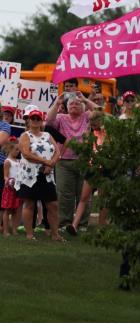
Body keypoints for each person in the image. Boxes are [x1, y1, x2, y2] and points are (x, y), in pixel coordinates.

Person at [46, 92, 98, 231]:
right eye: (71, 103)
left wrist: (85, 99)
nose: (74, 105)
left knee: (84, 194)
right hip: (64, 161)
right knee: (64, 194)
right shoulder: (61, 117)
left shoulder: (87, 116)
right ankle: (64, 223)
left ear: (82, 107)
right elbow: (48, 121)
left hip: (85, 160)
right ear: (67, 107)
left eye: (77, 103)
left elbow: (99, 112)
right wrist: (57, 103)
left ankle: (82, 224)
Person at [16, 106, 62, 241]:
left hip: (47, 175)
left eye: (38, 118)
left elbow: (57, 152)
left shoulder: (48, 135)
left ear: (42, 121)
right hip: (30, 175)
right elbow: (26, 153)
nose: (35, 120)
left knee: (52, 205)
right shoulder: (25, 135)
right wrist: (46, 162)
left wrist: (51, 163)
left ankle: (55, 234)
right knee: (29, 204)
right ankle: (30, 234)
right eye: (33, 118)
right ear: (28, 121)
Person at [66, 110, 108, 236]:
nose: (94, 126)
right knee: (83, 197)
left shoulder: (108, 131)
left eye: (95, 124)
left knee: (103, 199)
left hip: (105, 168)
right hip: (92, 166)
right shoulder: (91, 132)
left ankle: (102, 227)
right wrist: (88, 131)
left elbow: (106, 115)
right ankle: (74, 225)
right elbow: (85, 145)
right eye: (92, 124)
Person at [1, 140, 21, 235]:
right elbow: (5, 176)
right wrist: (10, 181)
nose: (18, 151)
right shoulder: (7, 162)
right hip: (10, 188)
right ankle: (5, 230)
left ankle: (14, 229)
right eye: (16, 149)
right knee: (7, 209)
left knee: (16, 210)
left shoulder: (18, 161)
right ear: (10, 149)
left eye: (19, 150)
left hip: (18, 187)